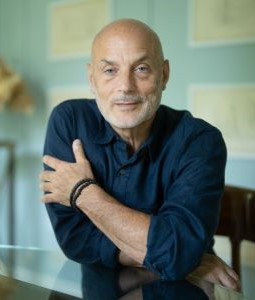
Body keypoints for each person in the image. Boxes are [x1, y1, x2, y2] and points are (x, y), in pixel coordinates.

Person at [40, 19, 240, 290]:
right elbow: (75, 240)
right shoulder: (70, 122)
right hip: (105, 289)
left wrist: (82, 192)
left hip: (182, 291)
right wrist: (178, 257)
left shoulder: (200, 141)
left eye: (142, 69)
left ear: (164, 75)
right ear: (92, 79)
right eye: (110, 70)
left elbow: (177, 252)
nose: (125, 86)